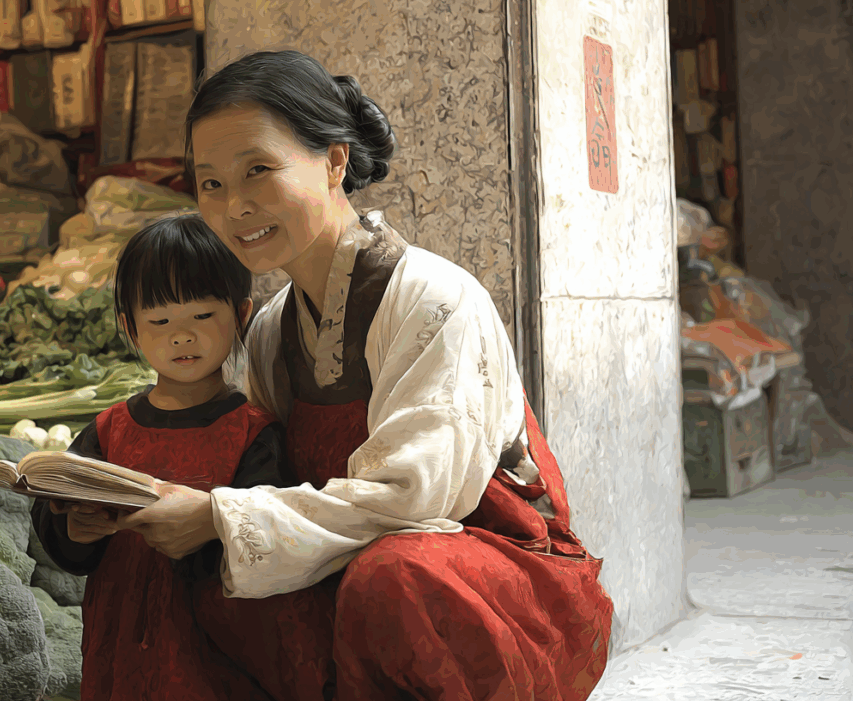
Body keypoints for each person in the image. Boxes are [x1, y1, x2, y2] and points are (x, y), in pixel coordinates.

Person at [116, 50, 616, 701]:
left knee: (391, 577)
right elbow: (263, 478)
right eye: (210, 184)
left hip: (495, 584)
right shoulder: (269, 331)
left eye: (258, 170)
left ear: (334, 160)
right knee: (215, 580)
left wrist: (219, 515)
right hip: (362, 574)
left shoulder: (433, 298)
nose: (234, 206)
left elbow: (414, 500)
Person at [31, 213, 289, 701]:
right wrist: (75, 530)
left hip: (214, 653)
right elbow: (61, 536)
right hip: (118, 638)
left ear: (241, 314)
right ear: (131, 327)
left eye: (202, 316)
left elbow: (264, 545)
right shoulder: (108, 431)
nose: (182, 336)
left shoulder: (254, 433)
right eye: (161, 321)